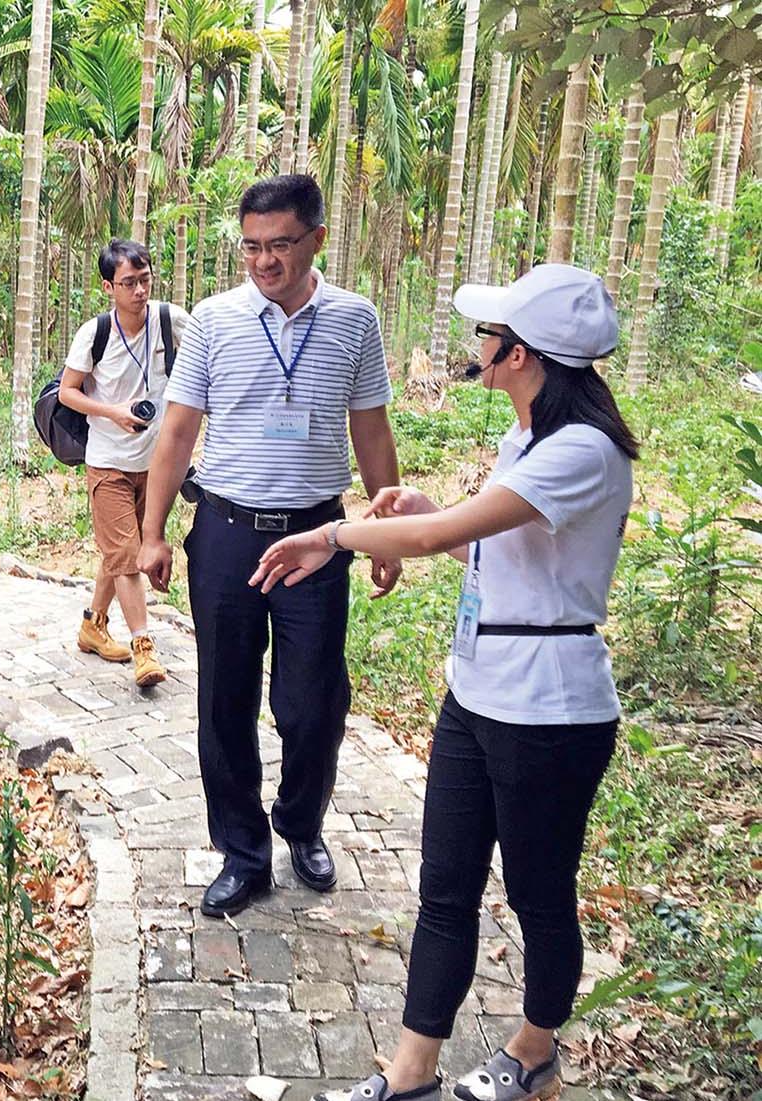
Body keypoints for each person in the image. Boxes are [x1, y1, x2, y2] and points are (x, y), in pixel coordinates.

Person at [252, 264, 635, 1101]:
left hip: (551, 708)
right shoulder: (526, 441)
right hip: (477, 692)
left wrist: (334, 534)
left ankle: (533, 1051)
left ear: (519, 354)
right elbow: (487, 550)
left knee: (539, 892)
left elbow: (448, 536)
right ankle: (410, 1072)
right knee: (445, 889)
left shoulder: (583, 451)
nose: (480, 347)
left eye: (489, 336)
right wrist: (424, 505)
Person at [137, 174, 401, 917]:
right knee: (224, 702)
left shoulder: (354, 320)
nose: (264, 261)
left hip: (318, 540)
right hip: (224, 534)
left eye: (281, 244)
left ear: (318, 238)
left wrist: (384, 530)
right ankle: (243, 851)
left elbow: (371, 429)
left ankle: (301, 822)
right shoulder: (216, 321)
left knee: (313, 703)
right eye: (252, 246)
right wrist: (154, 533)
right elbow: (178, 431)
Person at [57, 239, 190, 688]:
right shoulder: (94, 333)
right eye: (129, 283)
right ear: (108, 286)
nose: (139, 291)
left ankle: (94, 625)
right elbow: (67, 392)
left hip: (154, 467)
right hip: (109, 462)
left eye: (145, 279)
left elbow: (205, 358)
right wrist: (114, 412)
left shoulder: (170, 321)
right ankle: (143, 648)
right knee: (128, 556)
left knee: (119, 552)